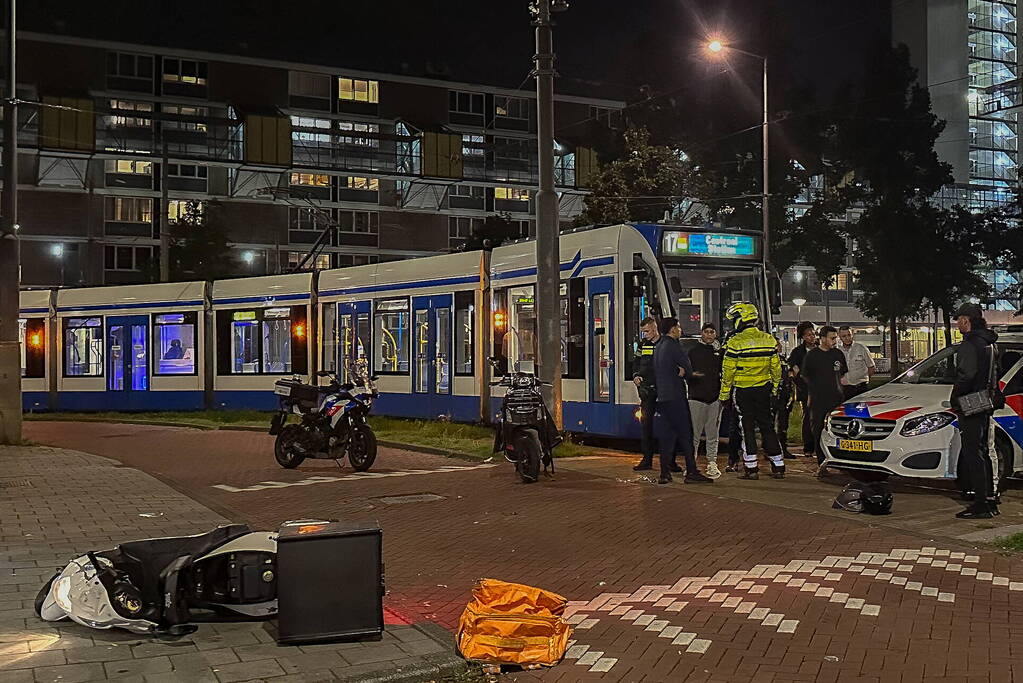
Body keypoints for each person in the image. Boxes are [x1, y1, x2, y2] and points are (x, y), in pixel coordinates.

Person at [718, 302, 784, 480]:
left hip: (743, 392)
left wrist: (724, 396)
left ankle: (751, 467)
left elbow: (728, 373)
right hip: (764, 390)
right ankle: (778, 465)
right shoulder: (769, 340)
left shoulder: (735, 342)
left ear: (740, 320)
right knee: (767, 426)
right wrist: (775, 389)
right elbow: (776, 369)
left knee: (746, 427)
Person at [950, 303, 999, 519]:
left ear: (966, 320)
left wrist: (955, 397)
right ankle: (989, 498)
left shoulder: (970, 344)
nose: (957, 323)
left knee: (973, 452)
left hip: (970, 401)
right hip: (984, 400)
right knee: (983, 451)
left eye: (958, 319)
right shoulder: (988, 344)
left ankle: (980, 503)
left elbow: (966, 376)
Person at [653, 317, 712, 485]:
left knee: (667, 436)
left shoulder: (658, 346)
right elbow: (688, 369)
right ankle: (691, 471)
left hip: (662, 397)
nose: (680, 330)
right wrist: (685, 373)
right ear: (672, 329)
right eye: (678, 327)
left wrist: (680, 371)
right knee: (686, 435)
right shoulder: (674, 346)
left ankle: (664, 473)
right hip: (676, 396)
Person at [802, 325, 848, 472]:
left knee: (839, 430)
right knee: (819, 430)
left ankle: (841, 461)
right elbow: (805, 376)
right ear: (822, 338)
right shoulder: (812, 356)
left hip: (836, 399)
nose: (835, 341)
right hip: (818, 400)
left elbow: (842, 375)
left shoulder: (838, 355)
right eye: (832, 338)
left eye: (836, 338)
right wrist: (812, 392)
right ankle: (822, 462)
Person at [687, 323, 723, 478]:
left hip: (715, 398)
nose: (709, 335)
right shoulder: (693, 352)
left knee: (712, 434)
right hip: (696, 398)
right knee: (694, 434)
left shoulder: (721, 352)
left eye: (711, 332)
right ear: (702, 334)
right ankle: (691, 464)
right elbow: (686, 372)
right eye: (706, 332)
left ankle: (712, 462)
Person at [631, 317, 660, 472]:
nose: (645, 335)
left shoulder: (664, 344)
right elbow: (636, 361)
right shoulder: (643, 344)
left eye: (647, 331)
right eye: (643, 332)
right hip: (647, 390)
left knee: (669, 426)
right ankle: (647, 459)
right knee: (646, 426)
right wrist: (636, 375)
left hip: (662, 389)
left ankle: (670, 461)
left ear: (655, 328)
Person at [786, 322, 818, 458]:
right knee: (808, 417)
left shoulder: (820, 349)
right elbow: (792, 370)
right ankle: (808, 446)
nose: (812, 337)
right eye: (809, 335)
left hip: (822, 388)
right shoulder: (798, 352)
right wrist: (800, 381)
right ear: (803, 337)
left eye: (813, 334)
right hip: (805, 390)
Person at [838, 326, 875, 399]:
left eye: (849, 335)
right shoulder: (838, 351)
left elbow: (871, 367)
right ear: (840, 337)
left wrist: (865, 380)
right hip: (845, 389)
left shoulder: (861, 348)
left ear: (852, 335)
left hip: (861, 388)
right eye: (844, 336)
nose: (847, 338)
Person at [774, 342, 796, 459]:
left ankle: (783, 448)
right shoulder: (768, 359)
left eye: (779, 344)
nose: (779, 346)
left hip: (784, 396)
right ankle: (771, 450)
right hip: (772, 396)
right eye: (776, 344)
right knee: (772, 424)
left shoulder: (783, 359)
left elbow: (790, 374)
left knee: (783, 424)